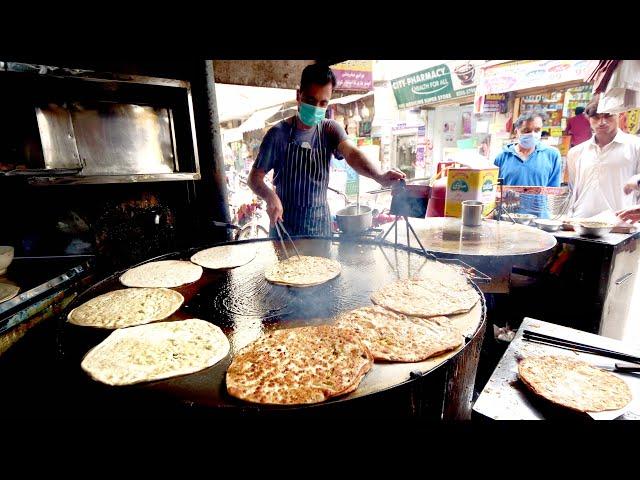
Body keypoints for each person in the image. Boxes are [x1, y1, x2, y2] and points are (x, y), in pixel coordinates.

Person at [248, 63, 405, 236]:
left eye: (323, 103)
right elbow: (254, 178)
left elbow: (352, 154)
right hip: (286, 228)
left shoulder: (330, 130)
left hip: (320, 228)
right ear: (299, 95)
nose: (316, 108)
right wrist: (270, 196)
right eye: (310, 100)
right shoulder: (278, 135)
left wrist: (379, 176)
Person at [567, 94, 640, 219]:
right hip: (580, 223)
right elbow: (573, 190)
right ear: (588, 118)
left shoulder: (635, 146)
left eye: (608, 115)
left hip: (621, 226)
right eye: (596, 117)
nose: (602, 122)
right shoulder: (576, 152)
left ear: (620, 115)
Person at [493, 111, 562, 217]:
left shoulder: (552, 155)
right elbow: (493, 191)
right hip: (508, 219)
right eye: (527, 130)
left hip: (539, 221)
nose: (532, 134)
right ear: (517, 131)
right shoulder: (502, 157)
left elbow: (553, 192)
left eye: (537, 130)